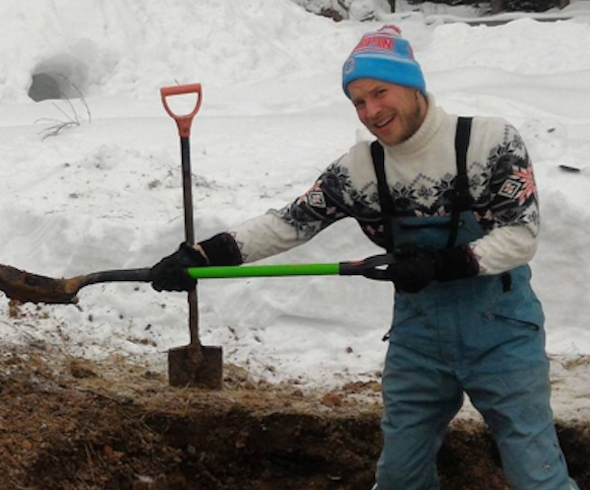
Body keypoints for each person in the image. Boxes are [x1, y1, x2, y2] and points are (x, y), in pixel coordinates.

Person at [149, 25, 579, 490]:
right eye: (358, 101)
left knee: (536, 474)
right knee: (399, 478)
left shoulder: (489, 143)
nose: (371, 111)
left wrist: (440, 265)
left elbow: (519, 236)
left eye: (380, 92)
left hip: (502, 333)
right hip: (419, 340)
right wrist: (203, 255)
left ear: (414, 85)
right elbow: (290, 223)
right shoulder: (359, 171)